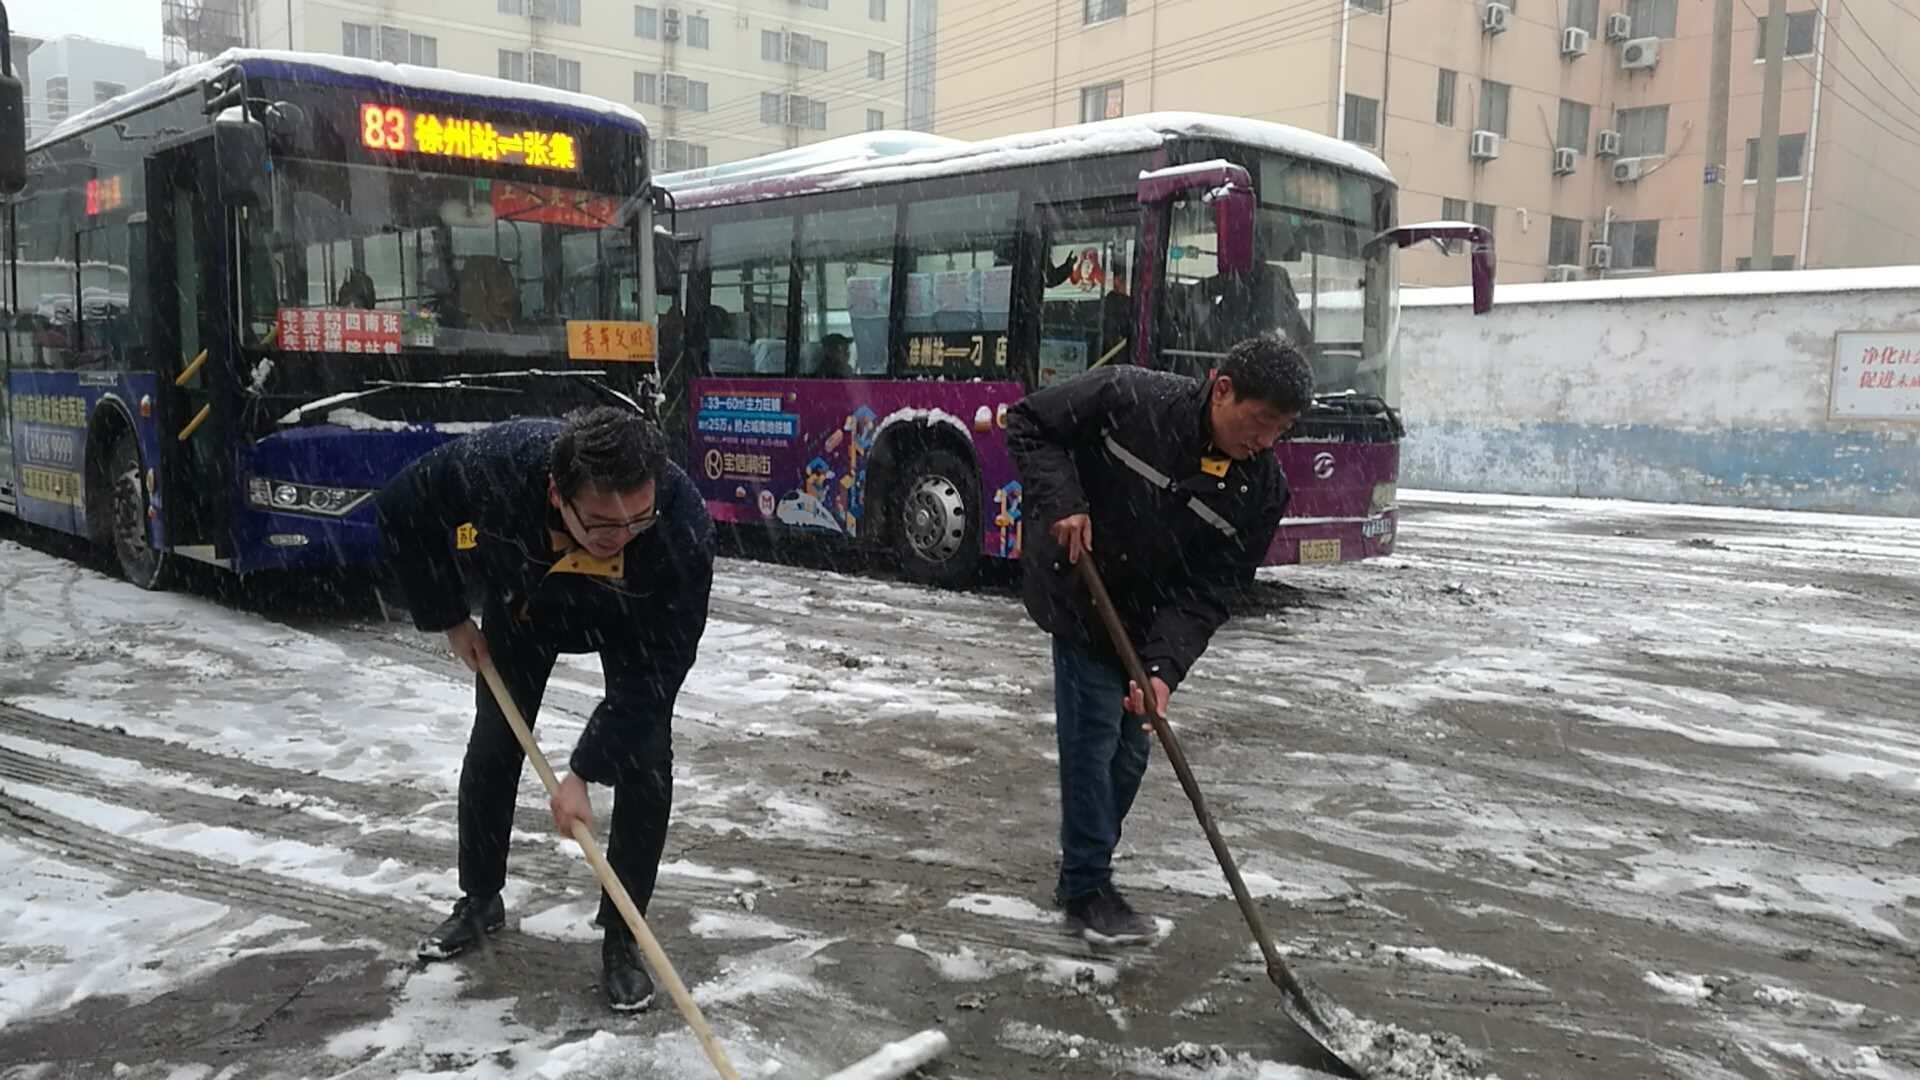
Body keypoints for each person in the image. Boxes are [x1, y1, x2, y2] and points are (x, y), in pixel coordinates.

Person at [375, 406, 713, 1011]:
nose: (627, 535)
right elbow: (404, 507)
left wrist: (583, 771)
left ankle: (622, 934)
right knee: (496, 742)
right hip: (527, 601)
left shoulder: (679, 526)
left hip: (632, 617)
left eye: (639, 516)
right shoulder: (500, 465)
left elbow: (657, 675)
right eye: (606, 525)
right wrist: (451, 617)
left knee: (646, 760)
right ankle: (479, 900)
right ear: (558, 495)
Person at [1005, 335, 1312, 945]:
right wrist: (1064, 502)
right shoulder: (1129, 398)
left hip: (1147, 618)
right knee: (1093, 737)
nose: (1265, 442)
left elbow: (1211, 591)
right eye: (1259, 423)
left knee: (1131, 751)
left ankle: (1083, 872)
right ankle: (1088, 885)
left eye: (1279, 431)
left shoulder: (1262, 492)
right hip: (1082, 589)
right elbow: (1030, 422)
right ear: (1222, 389)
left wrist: (1163, 671)